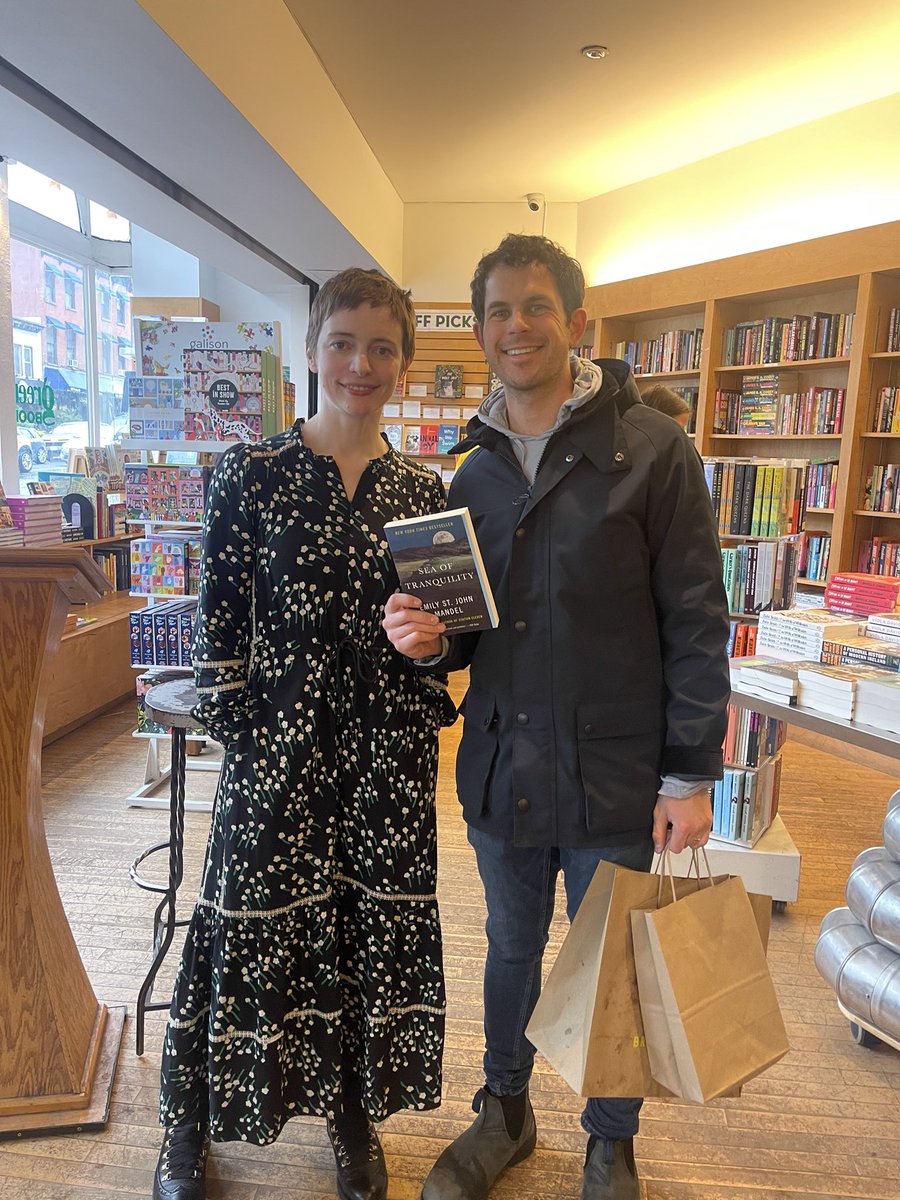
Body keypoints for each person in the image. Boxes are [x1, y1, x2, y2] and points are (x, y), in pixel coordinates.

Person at [382, 234, 730, 1200]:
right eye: (496, 310)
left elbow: (698, 620)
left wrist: (690, 774)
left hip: (615, 771)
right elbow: (466, 635)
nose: (515, 326)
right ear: (481, 330)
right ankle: (506, 1113)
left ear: (576, 323)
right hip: (503, 768)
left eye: (535, 306)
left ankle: (610, 1140)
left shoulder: (654, 450)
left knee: (610, 956)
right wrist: (426, 643)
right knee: (508, 947)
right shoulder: (472, 474)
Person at [153, 268, 457, 1200]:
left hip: (383, 764)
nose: (360, 364)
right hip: (275, 758)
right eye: (342, 343)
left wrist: (435, 643)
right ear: (311, 348)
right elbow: (218, 633)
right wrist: (251, 742)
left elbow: (448, 647)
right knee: (244, 923)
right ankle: (188, 1126)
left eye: (381, 348)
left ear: (402, 366)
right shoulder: (249, 474)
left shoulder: (428, 493)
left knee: (362, 933)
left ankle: (354, 1121)